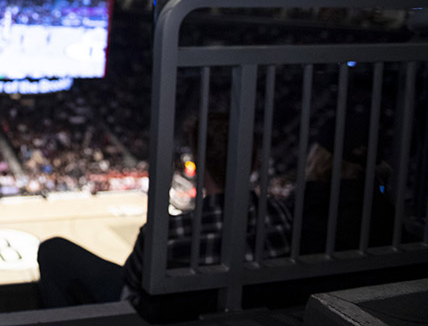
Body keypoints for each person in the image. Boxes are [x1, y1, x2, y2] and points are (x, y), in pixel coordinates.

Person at [37, 114, 294, 322]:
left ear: (197, 165)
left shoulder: (167, 234)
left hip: (161, 315)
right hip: (255, 314)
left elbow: (131, 285)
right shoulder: (283, 216)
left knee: (53, 249)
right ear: (256, 164)